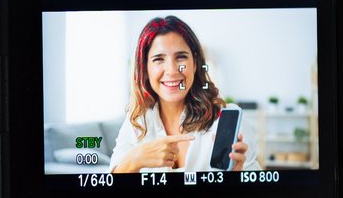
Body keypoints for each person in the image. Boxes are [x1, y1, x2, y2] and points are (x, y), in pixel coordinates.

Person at [107, 14, 251, 176]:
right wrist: (135, 159)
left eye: (181, 57)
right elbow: (110, 186)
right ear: (145, 68)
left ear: (195, 63)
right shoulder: (137, 119)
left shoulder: (225, 119)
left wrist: (238, 177)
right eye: (159, 59)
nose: (172, 70)